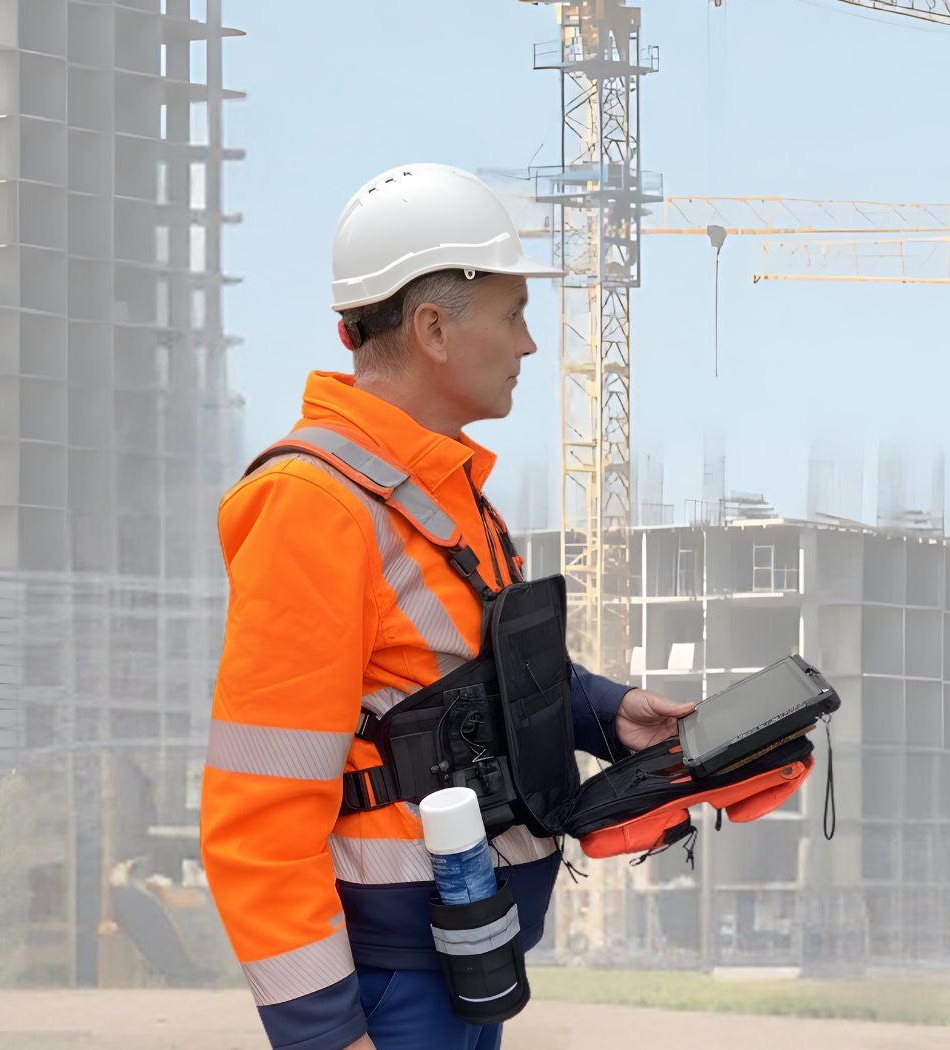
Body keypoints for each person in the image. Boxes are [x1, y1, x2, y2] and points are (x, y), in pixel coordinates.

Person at [201, 163, 697, 1050]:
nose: (530, 345)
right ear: (432, 328)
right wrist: (323, 1034)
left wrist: (605, 713)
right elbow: (259, 809)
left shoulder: (439, 487)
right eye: (512, 315)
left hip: (469, 956)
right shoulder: (315, 505)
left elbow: (465, 675)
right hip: (387, 990)